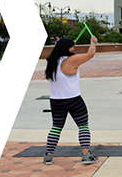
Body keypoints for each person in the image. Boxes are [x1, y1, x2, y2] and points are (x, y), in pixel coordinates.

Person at [41, 36, 100, 165]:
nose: (73, 49)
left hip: (56, 100)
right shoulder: (71, 61)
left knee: (56, 127)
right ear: (66, 49)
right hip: (74, 99)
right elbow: (90, 54)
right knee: (83, 126)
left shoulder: (51, 60)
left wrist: (68, 44)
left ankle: (48, 156)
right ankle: (86, 154)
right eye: (72, 47)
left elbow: (61, 50)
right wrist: (93, 42)